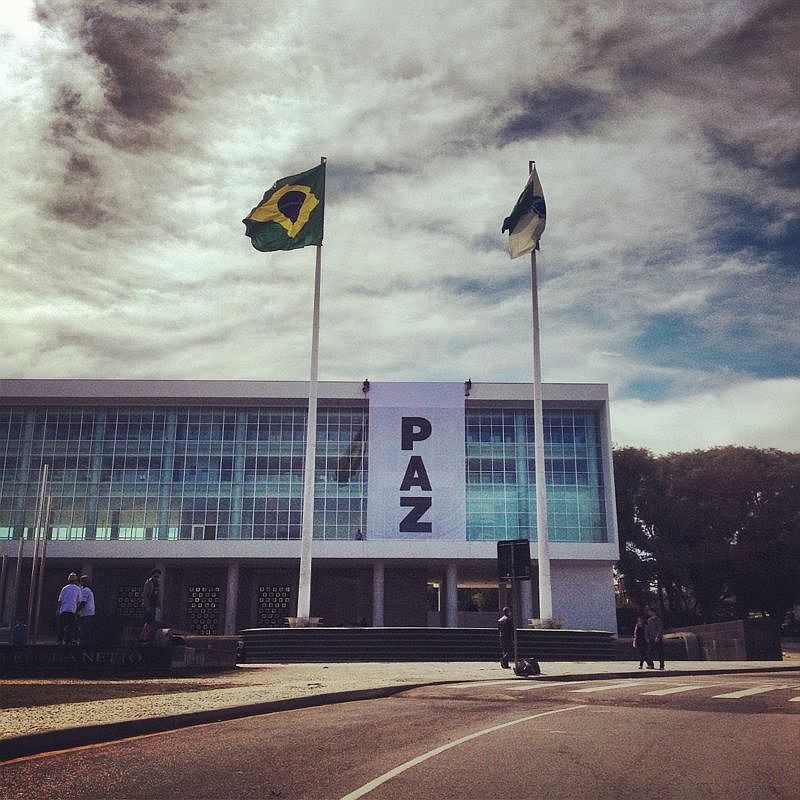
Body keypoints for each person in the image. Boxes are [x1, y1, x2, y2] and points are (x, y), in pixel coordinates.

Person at [56, 572, 82, 645]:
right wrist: (77, 611)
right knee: (71, 627)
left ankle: (59, 640)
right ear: (75, 580)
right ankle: (68, 640)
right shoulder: (78, 589)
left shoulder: (64, 588)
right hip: (72, 610)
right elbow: (79, 601)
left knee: (61, 626)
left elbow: (60, 600)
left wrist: (58, 610)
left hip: (63, 609)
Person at [140, 568, 161, 644]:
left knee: (152, 622)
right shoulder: (148, 583)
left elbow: (157, 595)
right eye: (155, 576)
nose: (157, 578)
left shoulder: (157, 584)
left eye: (158, 577)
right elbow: (145, 595)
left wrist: (159, 605)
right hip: (148, 605)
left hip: (154, 605)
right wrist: (147, 606)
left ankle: (147, 637)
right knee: (148, 621)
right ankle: (143, 637)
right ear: (152, 575)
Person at [77, 575, 96, 646]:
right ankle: (87, 643)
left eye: (82, 581)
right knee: (87, 629)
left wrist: (76, 611)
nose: (80, 582)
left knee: (84, 629)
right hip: (90, 612)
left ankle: (83, 643)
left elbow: (83, 603)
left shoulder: (85, 590)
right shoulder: (87, 590)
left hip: (86, 613)